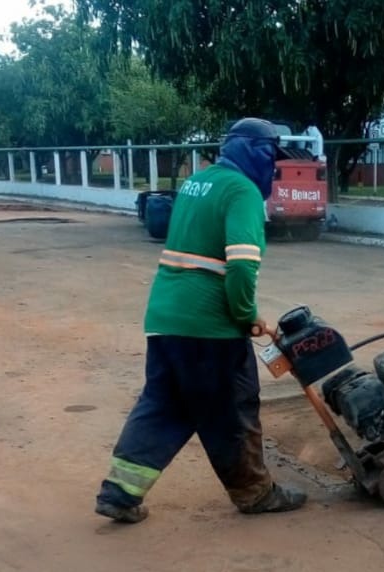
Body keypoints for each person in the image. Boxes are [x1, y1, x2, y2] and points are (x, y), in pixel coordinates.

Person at [95, 118, 307, 524]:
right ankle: (255, 494)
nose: (275, 170)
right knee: (232, 410)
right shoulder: (242, 191)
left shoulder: (198, 182)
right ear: (256, 153)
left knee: (163, 405)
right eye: (272, 160)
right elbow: (242, 267)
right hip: (209, 329)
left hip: (165, 319)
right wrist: (245, 317)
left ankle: (119, 494)